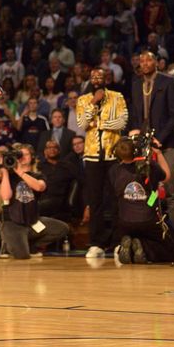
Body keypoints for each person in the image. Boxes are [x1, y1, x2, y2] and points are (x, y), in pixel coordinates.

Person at [129, 51, 174, 251]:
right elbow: (135, 115)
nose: (144, 63)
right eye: (141, 60)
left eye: (148, 60)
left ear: (157, 63)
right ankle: (152, 241)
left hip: (166, 146)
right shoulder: (136, 84)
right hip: (144, 147)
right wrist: (135, 132)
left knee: (171, 193)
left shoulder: (168, 82)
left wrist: (159, 137)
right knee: (150, 193)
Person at [76, 68, 128, 259]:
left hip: (113, 155)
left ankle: (117, 242)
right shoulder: (83, 100)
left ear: (106, 78)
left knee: (115, 200)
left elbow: (122, 122)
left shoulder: (117, 97)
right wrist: (93, 103)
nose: (97, 79)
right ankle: (96, 243)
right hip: (92, 155)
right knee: (95, 201)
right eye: (93, 77)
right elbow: (82, 124)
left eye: (100, 76)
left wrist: (100, 124)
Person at [110, 138, 174, 264]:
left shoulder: (114, 170)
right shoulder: (149, 166)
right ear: (135, 151)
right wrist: (158, 153)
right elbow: (167, 177)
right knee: (172, 251)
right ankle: (143, 247)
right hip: (148, 218)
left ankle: (128, 247)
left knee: (138, 231)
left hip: (125, 221)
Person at [0, 144, 68, 259]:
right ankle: (7, 244)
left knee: (62, 228)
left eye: (26, 154)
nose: (23, 157)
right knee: (23, 256)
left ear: (32, 157)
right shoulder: (10, 176)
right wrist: (5, 173)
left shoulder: (38, 175)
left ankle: (31, 245)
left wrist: (21, 172)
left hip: (32, 221)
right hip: (12, 221)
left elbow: (39, 187)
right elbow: (5, 196)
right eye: (20, 155)